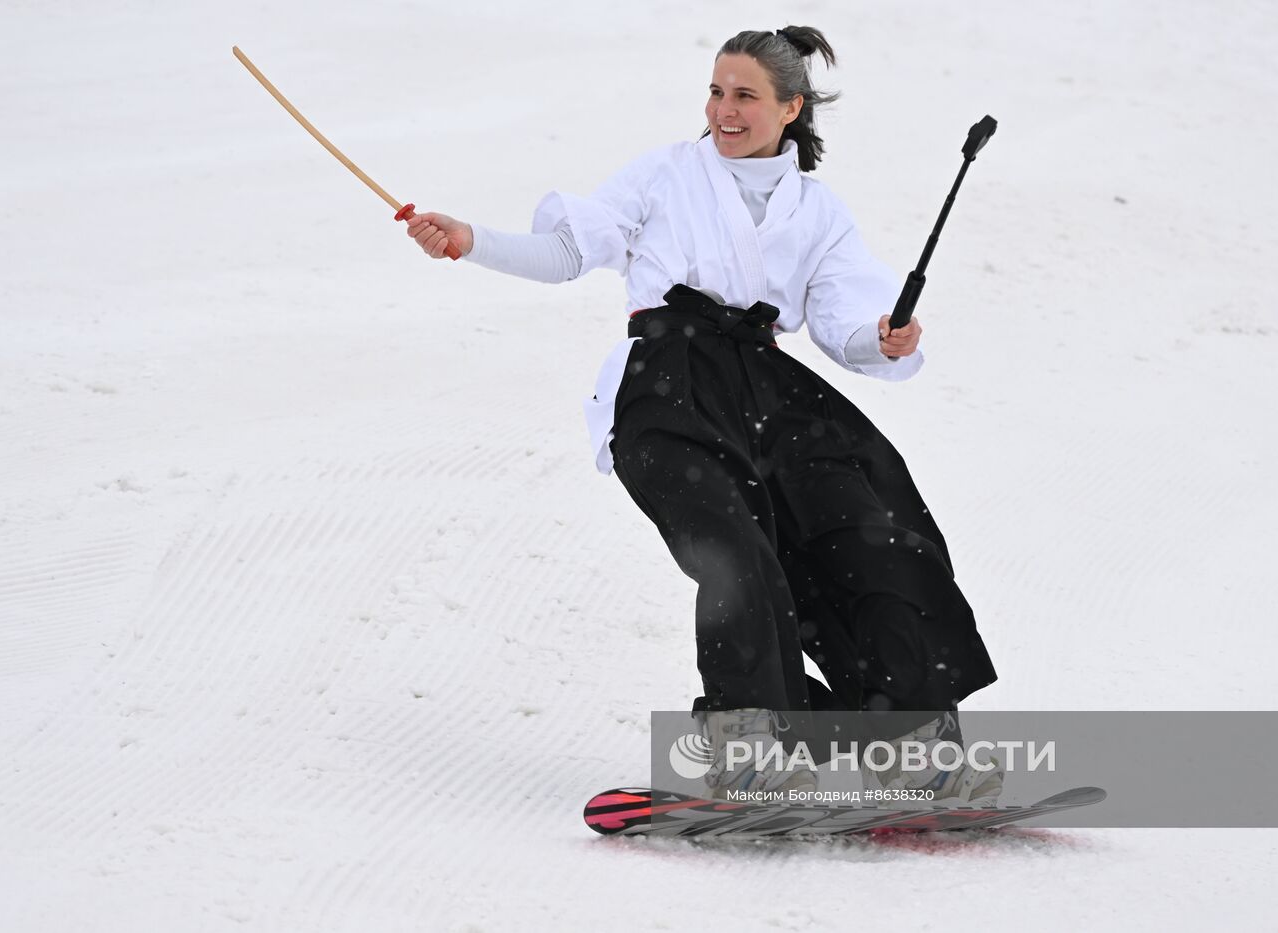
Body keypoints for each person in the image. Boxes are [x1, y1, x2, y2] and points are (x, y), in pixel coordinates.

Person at [404, 26, 999, 804]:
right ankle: (751, 752)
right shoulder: (665, 176)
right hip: (668, 390)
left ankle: (914, 745)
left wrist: (884, 339)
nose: (723, 109)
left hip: (771, 392)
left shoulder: (818, 213)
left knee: (872, 526)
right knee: (736, 554)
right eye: (716, 91)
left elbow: (846, 322)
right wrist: (468, 240)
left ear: (791, 108)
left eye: (745, 95)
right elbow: (568, 251)